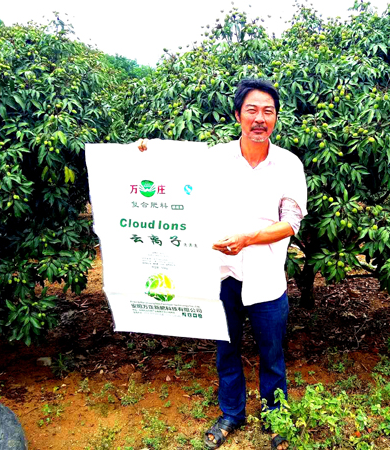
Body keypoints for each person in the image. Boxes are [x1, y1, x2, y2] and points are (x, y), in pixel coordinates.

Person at [139, 79, 307, 450]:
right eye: (252, 110)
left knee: (272, 353)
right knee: (226, 348)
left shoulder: (288, 164)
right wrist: (145, 154)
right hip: (222, 274)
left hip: (266, 277)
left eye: (268, 111)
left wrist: (248, 238)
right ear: (237, 115)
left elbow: (291, 222)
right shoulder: (216, 158)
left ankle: (275, 416)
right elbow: (176, 172)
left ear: (276, 118)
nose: (260, 118)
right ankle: (232, 412)